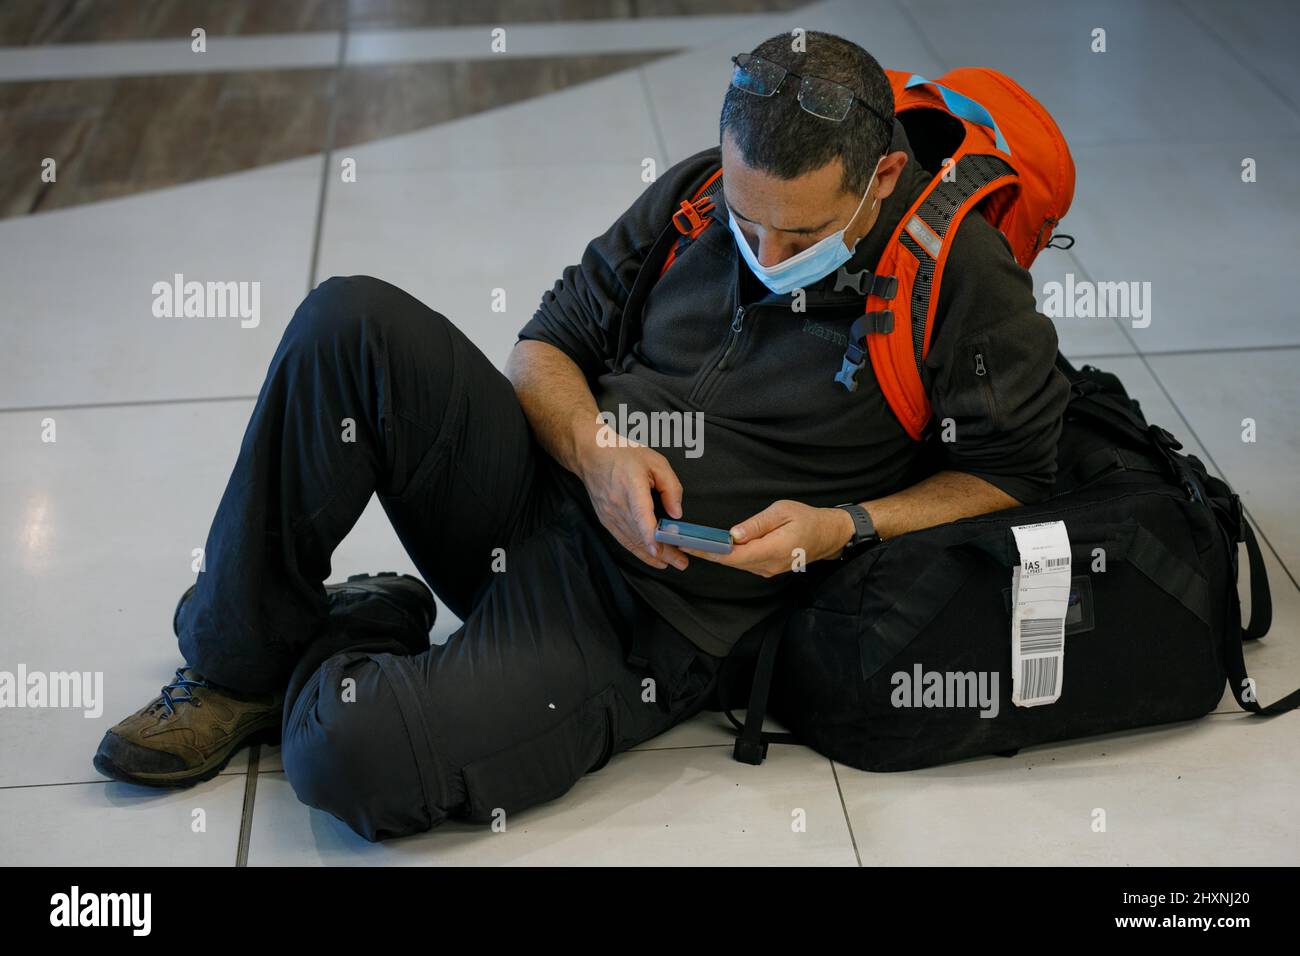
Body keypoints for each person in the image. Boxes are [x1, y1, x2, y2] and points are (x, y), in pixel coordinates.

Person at [94, 31, 1068, 842]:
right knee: (345, 320)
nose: (763, 254)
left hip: (647, 615)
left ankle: (354, 632)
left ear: (881, 175)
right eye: (744, 217)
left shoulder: (960, 279)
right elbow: (541, 353)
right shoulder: (696, 196)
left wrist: (842, 525)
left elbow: (1014, 476)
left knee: (350, 757)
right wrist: (597, 453)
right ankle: (236, 665)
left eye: (798, 234)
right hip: (542, 487)